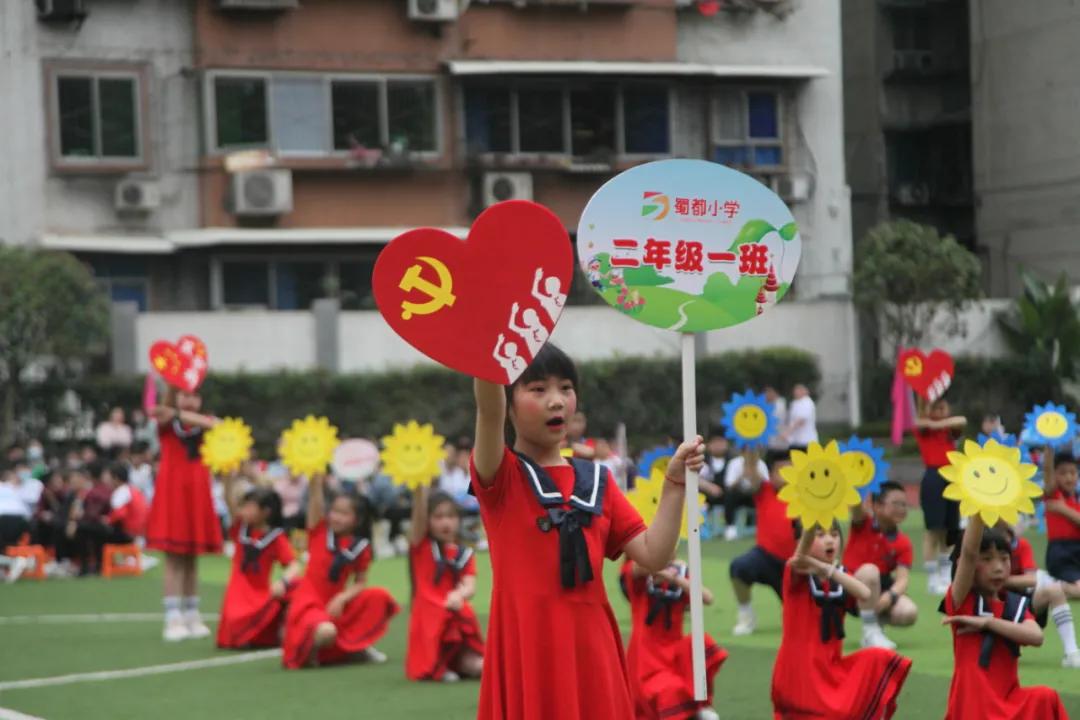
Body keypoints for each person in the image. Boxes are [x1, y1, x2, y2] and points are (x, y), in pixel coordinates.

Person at [470, 343, 704, 720]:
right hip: (527, 646)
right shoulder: (502, 476)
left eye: (565, 387)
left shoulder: (597, 479)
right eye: (538, 389)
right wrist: (492, 342)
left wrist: (674, 484)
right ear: (510, 404)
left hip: (591, 645)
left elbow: (653, 554)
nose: (556, 401)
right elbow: (488, 407)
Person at [771, 522, 911, 719]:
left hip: (829, 666)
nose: (830, 540)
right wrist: (813, 513)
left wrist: (827, 569)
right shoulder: (795, 574)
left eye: (835, 534)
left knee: (878, 659)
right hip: (799, 669)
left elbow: (864, 593)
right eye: (820, 535)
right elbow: (800, 558)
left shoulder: (839, 576)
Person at [942, 515, 1067, 718]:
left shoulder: (1013, 605)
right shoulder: (963, 602)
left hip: (1007, 701)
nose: (998, 567)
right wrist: (979, 510)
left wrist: (989, 623)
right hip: (974, 707)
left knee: (1045, 696)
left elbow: (1036, 636)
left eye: (1004, 558)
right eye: (987, 559)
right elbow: (969, 552)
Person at [281, 473, 399, 669]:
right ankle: (310, 652)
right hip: (309, 603)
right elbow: (315, 500)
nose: (336, 517)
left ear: (357, 519)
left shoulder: (360, 547)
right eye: (334, 511)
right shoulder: (319, 532)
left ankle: (355, 645)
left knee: (379, 596)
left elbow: (360, 581)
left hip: (335, 602)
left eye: (344, 514)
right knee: (326, 632)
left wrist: (343, 597)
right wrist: (315, 477)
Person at [147, 387, 224, 640]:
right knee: (174, 558)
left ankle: (192, 612)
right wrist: (171, 383)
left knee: (192, 558)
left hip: (198, 492)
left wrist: (183, 413)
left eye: (194, 396)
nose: (190, 400)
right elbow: (160, 412)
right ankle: (173, 616)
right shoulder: (167, 421)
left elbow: (220, 426)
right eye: (184, 395)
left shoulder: (203, 424)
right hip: (173, 493)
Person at [620, 559, 725, 720]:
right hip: (646, 654)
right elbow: (637, 569)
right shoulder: (636, 571)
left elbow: (707, 598)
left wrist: (675, 579)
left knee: (701, 642)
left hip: (674, 651)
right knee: (669, 690)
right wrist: (659, 567)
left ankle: (701, 706)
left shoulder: (679, 572)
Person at [405, 485, 484, 682]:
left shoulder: (464, 553)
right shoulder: (421, 547)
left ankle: (463, 661)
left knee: (480, 666)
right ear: (428, 521)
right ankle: (438, 665)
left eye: (450, 516)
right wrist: (420, 486)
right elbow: (418, 517)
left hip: (453, 609)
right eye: (438, 517)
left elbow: (469, 585)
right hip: (430, 616)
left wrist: (459, 594)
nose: (445, 522)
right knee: (442, 613)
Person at [217, 479, 300, 649]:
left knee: (297, 588)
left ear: (266, 512)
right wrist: (228, 474)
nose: (244, 511)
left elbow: (294, 565)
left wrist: (283, 581)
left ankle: (284, 628)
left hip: (261, 591)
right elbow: (228, 499)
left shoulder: (276, 537)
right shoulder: (240, 527)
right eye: (244, 506)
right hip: (239, 589)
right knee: (236, 620)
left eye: (250, 507)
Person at [843, 481, 919, 649]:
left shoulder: (903, 542)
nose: (901, 509)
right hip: (851, 584)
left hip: (880, 587)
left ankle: (875, 626)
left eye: (904, 504)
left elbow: (902, 579)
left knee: (908, 612)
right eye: (896, 504)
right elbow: (856, 505)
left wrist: (891, 595)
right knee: (870, 571)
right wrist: (854, 477)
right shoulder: (862, 523)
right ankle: (870, 631)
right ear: (876, 506)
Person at [729, 452, 796, 636]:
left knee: (798, 618)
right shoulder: (764, 490)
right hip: (765, 557)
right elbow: (750, 470)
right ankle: (746, 615)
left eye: (790, 470)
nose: (785, 475)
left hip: (795, 564)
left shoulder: (805, 494)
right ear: (771, 474)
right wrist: (752, 440)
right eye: (781, 471)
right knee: (739, 567)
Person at [1000, 523, 1080, 668]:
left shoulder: (1021, 545)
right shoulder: (984, 546)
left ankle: (1072, 653)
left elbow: (1032, 579)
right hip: (995, 606)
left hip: (1020, 602)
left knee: (1055, 590)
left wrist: (1001, 581)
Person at [914, 398, 967, 595]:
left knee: (950, 529)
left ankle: (946, 574)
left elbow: (962, 421)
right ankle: (931, 577)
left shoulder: (949, 430)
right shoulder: (924, 429)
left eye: (943, 407)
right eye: (936, 407)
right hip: (934, 477)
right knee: (933, 529)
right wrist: (931, 417)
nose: (941, 411)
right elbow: (920, 421)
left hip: (952, 477)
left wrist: (940, 422)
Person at [1044, 452, 1080, 585]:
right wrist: (1049, 442)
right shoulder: (1053, 495)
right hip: (1061, 553)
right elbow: (1047, 469)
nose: (1069, 477)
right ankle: (1051, 587)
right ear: (1054, 476)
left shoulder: (1075, 500)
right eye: (1063, 473)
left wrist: (1063, 509)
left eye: (1073, 472)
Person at [721, 448, 768, 541]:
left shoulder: (761, 464)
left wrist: (756, 476)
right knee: (729, 496)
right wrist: (741, 475)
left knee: (766, 496)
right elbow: (728, 485)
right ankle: (730, 527)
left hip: (755, 494)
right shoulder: (734, 463)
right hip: (739, 494)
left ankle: (765, 528)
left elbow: (768, 485)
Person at [784, 384, 818, 451]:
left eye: (798, 390)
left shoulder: (807, 403)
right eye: (795, 390)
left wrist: (787, 432)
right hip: (795, 440)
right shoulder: (795, 403)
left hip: (806, 441)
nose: (795, 392)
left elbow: (801, 420)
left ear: (805, 391)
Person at [763, 386, 789, 457]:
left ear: (774, 393)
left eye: (768, 393)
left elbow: (776, 423)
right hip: (773, 442)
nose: (766, 395)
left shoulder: (780, 406)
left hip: (779, 442)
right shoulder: (772, 404)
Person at [127, 441, 155, 506]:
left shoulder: (148, 469)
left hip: (147, 498)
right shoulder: (128, 470)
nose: (136, 459)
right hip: (133, 499)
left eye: (138, 457)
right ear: (130, 456)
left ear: (142, 456)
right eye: (134, 457)